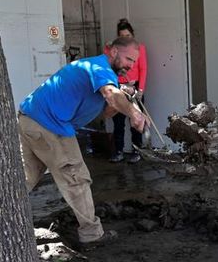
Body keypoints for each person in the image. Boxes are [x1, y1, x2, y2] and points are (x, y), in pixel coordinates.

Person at [18, 37, 146, 245]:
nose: (131, 66)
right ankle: (92, 235)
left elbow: (106, 112)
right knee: (76, 178)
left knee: (26, 176)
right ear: (113, 51)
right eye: (128, 59)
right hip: (50, 123)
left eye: (134, 62)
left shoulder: (101, 72)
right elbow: (111, 95)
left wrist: (124, 100)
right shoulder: (99, 67)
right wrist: (134, 114)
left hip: (30, 118)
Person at [110, 19, 148, 163]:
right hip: (119, 87)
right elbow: (110, 66)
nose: (125, 38)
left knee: (136, 120)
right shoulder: (114, 50)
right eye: (122, 36)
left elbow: (143, 69)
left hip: (135, 88)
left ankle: (137, 150)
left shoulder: (140, 48)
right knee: (118, 122)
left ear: (132, 34)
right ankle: (119, 151)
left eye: (128, 35)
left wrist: (141, 89)